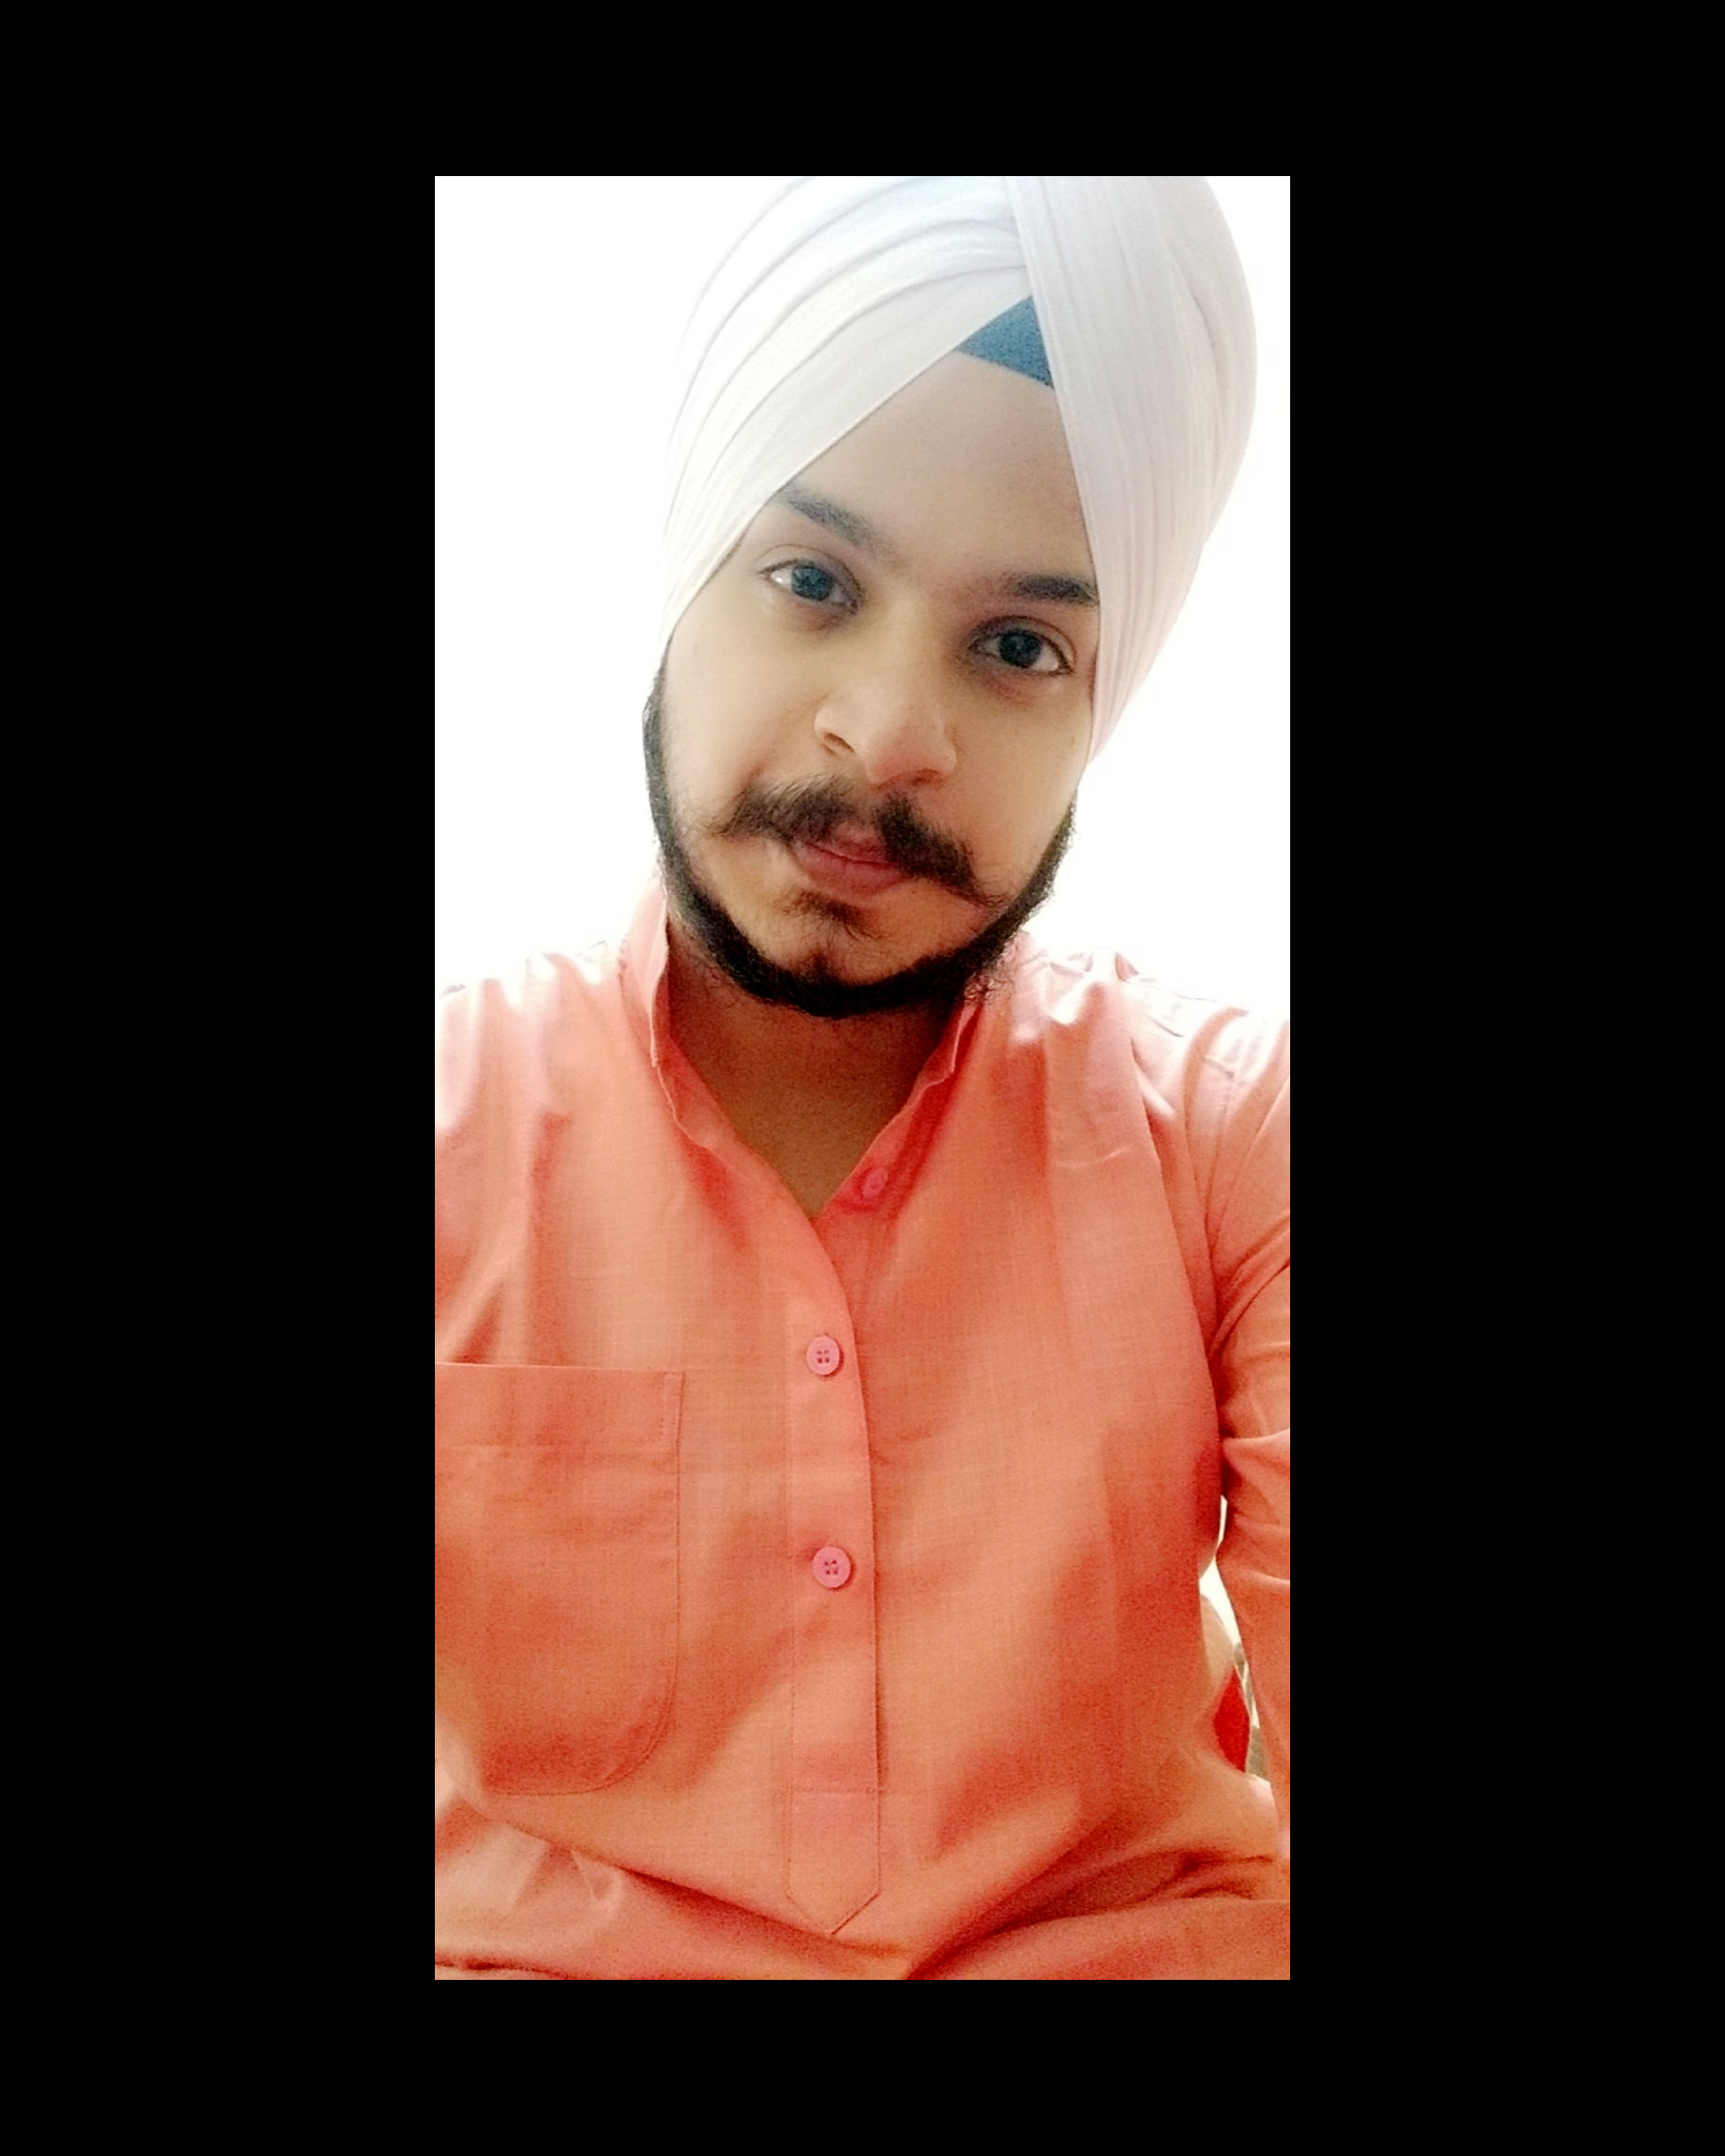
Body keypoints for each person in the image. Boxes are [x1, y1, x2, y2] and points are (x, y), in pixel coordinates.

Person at [436, 175, 1288, 1981]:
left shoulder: (1234, 1139)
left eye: (1020, 647)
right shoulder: (453, 1127)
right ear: (684, 577)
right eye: (812, 581)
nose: (891, 735)